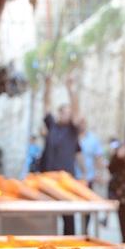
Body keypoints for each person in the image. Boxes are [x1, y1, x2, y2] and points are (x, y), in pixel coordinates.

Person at [40, 75, 83, 234]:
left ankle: (68, 248)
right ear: (59, 113)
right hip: (48, 178)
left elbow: (77, 112)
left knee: (68, 218)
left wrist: (70, 90)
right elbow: (45, 106)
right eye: (65, 112)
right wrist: (48, 86)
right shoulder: (52, 127)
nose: (68, 114)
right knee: (48, 217)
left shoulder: (72, 130)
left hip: (66, 180)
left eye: (70, 112)